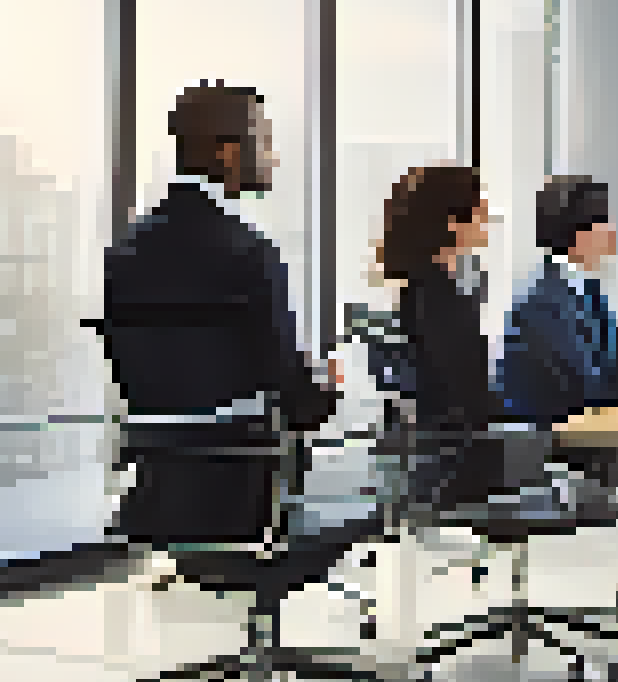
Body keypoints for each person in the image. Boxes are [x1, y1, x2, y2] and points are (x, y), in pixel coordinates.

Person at [104, 83, 339, 546]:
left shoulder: (128, 248)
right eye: (265, 141)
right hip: (237, 496)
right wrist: (325, 389)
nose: (272, 158)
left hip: (154, 489)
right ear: (229, 153)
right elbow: (291, 396)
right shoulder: (248, 251)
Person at [379, 164, 504, 507]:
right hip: (455, 470)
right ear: (453, 222)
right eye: (480, 209)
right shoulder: (436, 299)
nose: (487, 217)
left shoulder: (424, 289)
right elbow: (462, 394)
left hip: (444, 465)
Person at [493, 175, 618, 427]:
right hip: (561, 445)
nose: (613, 232)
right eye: (604, 221)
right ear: (578, 232)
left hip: (598, 432)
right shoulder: (543, 303)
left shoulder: (588, 291)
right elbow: (586, 386)